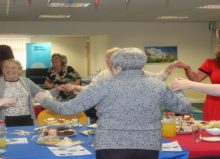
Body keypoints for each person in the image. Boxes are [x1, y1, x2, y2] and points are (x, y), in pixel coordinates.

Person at [35, 47, 191, 159]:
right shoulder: (158, 85)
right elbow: (184, 107)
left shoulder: (104, 84)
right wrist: (179, 89)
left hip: (111, 147)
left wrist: (44, 100)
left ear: (117, 66)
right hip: (148, 146)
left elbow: (67, 109)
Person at [0, 59, 54, 127]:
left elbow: (42, 92)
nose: (10, 70)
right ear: (3, 70)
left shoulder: (26, 81)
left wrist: (57, 90)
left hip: (27, 118)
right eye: (7, 67)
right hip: (5, 119)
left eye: (13, 67)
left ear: (20, 70)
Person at [175, 42, 220, 121]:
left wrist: (190, 84)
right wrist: (187, 68)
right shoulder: (211, 63)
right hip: (213, 103)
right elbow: (195, 78)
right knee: (211, 128)